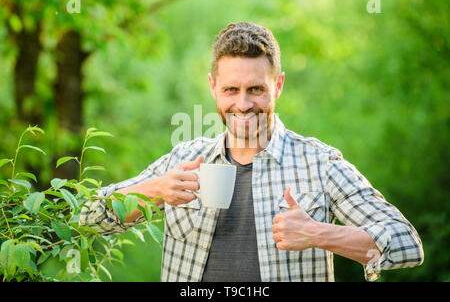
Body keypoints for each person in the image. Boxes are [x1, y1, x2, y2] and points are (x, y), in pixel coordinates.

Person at [79, 22, 424, 282]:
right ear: (213, 86)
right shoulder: (184, 160)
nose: (243, 105)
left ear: (279, 85)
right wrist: (154, 190)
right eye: (231, 89)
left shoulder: (319, 163)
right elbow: (86, 219)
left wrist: (319, 233)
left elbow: (407, 245)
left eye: (256, 89)